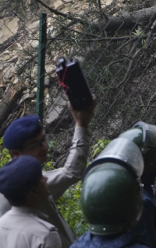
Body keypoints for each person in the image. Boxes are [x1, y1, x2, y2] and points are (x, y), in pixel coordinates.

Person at [0, 104, 95, 248]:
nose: (44, 147)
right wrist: (81, 123)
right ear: (15, 153)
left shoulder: (16, 180)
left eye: (44, 139)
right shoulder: (28, 185)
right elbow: (72, 171)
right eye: (35, 145)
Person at [0, 157, 61, 248]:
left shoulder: (2, 224)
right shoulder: (45, 235)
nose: (46, 178)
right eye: (41, 177)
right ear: (33, 191)